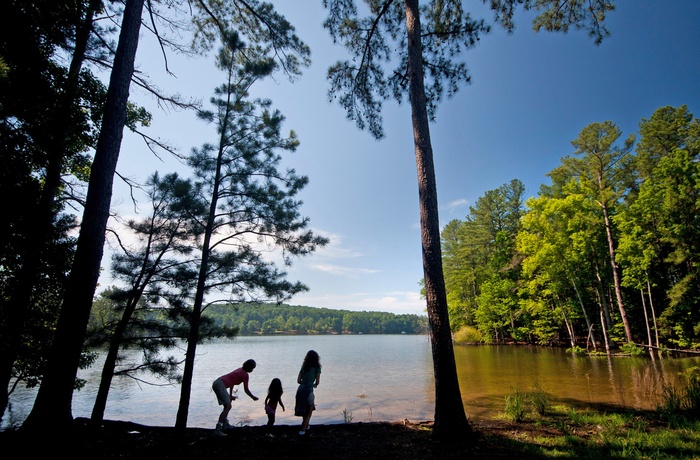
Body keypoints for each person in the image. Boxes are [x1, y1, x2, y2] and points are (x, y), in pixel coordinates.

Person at [212, 358, 259, 436]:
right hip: (220, 385)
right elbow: (246, 390)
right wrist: (253, 397)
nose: (253, 370)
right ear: (250, 367)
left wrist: (230, 395)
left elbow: (232, 382)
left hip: (217, 382)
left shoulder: (239, 370)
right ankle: (217, 429)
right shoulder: (245, 375)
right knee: (228, 407)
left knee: (227, 405)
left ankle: (225, 425)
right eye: (253, 368)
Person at [294, 350, 321, 436]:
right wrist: (314, 385)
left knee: (303, 410)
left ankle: (306, 426)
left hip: (300, 390)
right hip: (309, 391)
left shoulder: (303, 367)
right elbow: (317, 382)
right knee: (309, 412)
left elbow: (298, 380)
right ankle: (302, 431)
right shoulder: (317, 368)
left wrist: (304, 382)